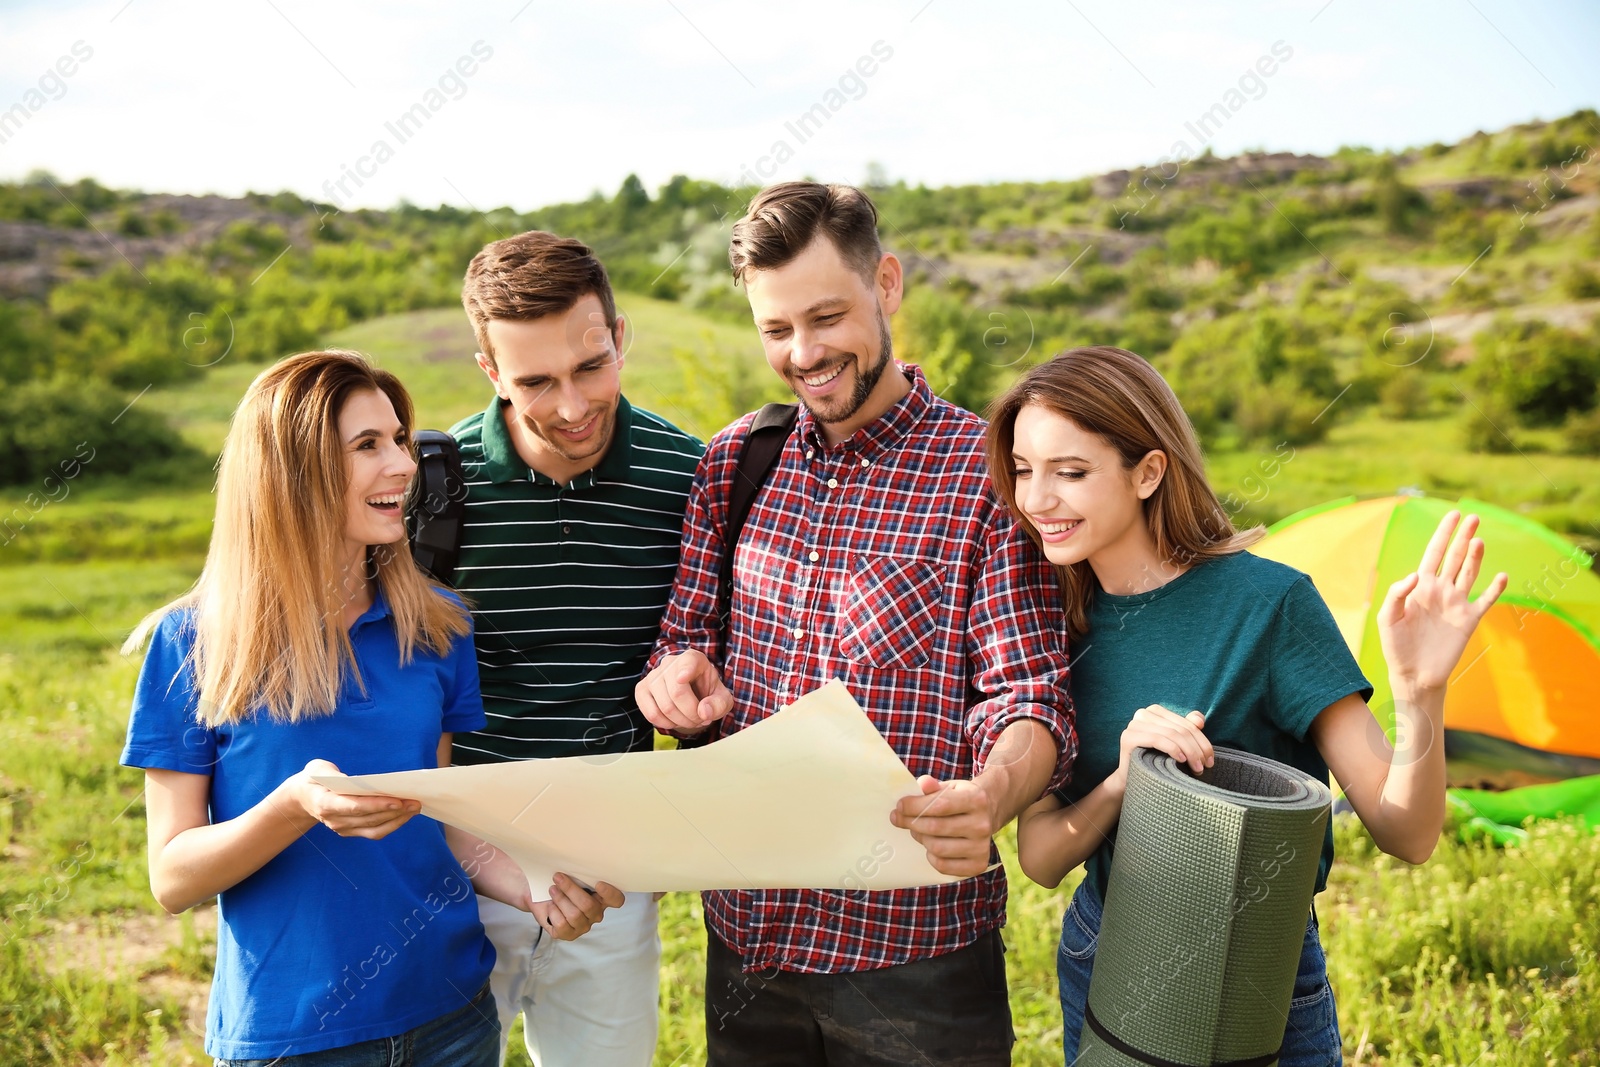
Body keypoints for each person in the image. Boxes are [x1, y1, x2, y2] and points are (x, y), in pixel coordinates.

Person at [635, 181, 1076, 1066]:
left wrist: (992, 792)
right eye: (776, 330)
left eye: (827, 315)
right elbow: (681, 640)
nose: (804, 352)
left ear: (888, 282)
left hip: (915, 961)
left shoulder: (986, 477)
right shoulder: (736, 461)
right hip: (750, 940)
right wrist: (671, 682)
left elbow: (1029, 694)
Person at [988, 346, 1508, 1066]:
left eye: (1069, 472)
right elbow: (1042, 857)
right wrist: (1121, 779)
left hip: (1256, 969)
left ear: (1148, 471)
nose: (1035, 498)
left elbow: (1406, 833)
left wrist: (1420, 693)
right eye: (1022, 469)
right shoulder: (1051, 622)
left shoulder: (1268, 605)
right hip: (1106, 950)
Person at [121, 350, 617, 1065]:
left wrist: (533, 887)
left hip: (453, 1015)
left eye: (398, 440)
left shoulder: (437, 623)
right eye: (367, 446)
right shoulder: (193, 642)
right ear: (291, 472)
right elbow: (172, 877)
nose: (404, 465)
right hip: (295, 1036)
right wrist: (291, 807)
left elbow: (443, 825)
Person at [451, 231, 705, 1066]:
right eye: (534, 382)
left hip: (609, 867)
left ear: (620, 336)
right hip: (452, 860)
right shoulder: (430, 484)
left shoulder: (688, 474)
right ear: (490, 371)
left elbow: (717, 641)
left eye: (591, 365)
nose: (570, 406)